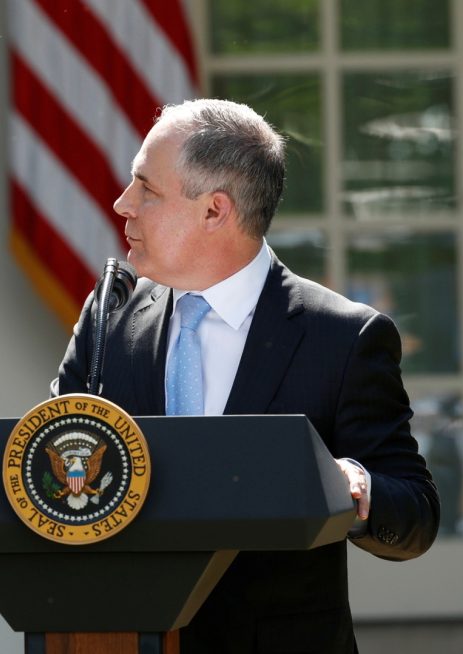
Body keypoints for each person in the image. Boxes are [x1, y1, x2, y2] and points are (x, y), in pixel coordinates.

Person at [53, 99, 439, 653]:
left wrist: (353, 485)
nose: (122, 204)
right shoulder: (108, 318)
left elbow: (416, 513)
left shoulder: (342, 337)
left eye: (146, 189)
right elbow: (52, 467)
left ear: (215, 211)